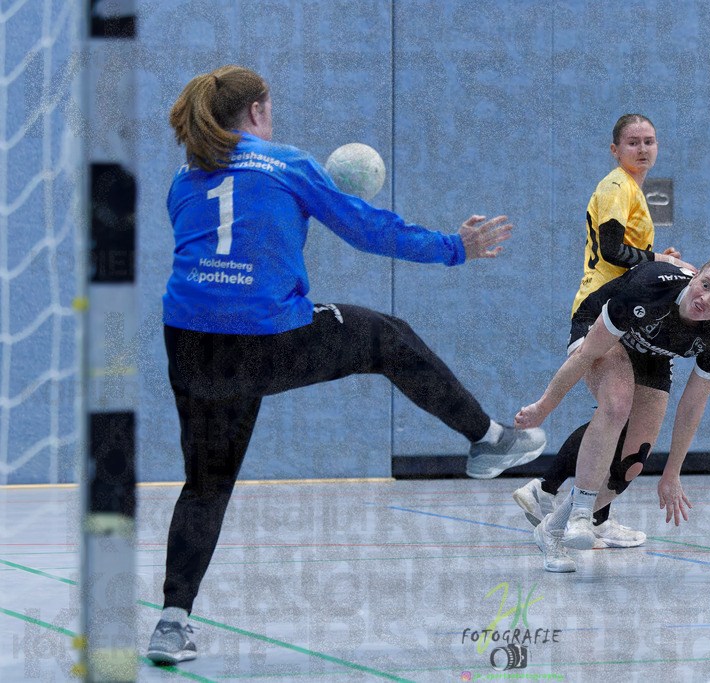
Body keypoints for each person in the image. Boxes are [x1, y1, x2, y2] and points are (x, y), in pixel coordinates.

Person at [146, 65, 546, 665]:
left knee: (206, 484)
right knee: (385, 335)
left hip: (190, 345)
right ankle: (488, 439)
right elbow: (366, 230)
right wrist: (454, 247)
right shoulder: (286, 163)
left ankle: (172, 623)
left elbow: (219, 252)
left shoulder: (184, 178)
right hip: (262, 341)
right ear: (257, 112)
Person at [515, 256, 710, 572]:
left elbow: (692, 406)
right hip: (600, 329)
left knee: (630, 465)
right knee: (617, 404)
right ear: (694, 277)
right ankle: (581, 513)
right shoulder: (650, 288)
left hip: (653, 356)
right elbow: (587, 355)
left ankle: (551, 529)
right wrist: (543, 406)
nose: (706, 299)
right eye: (705, 285)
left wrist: (672, 473)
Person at [513, 114, 694, 549]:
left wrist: (655, 259)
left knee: (627, 421)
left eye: (650, 141)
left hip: (633, 308)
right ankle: (558, 497)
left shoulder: (635, 191)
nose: (643, 149)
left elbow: (626, 252)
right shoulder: (616, 185)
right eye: (633, 142)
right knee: (616, 407)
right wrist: (658, 262)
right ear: (615, 150)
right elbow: (613, 249)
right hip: (604, 306)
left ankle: (581, 508)